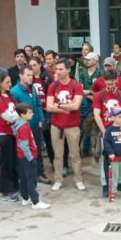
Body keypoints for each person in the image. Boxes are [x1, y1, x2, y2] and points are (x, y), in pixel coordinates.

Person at [46, 58, 85, 191]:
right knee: (58, 155)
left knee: (75, 155)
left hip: (73, 126)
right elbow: (49, 107)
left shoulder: (76, 85)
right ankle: (58, 179)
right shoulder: (53, 86)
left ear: (68, 70)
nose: (58, 71)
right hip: (56, 126)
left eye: (61, 69)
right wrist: (66, 108)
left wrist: (59, 105)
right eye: (57, 69)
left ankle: (78, 179)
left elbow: (76, 106)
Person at [93, 70, 121, 197]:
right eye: (107, 84)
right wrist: (103, 131)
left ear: (116, 81)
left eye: (112, 84)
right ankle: (105, 184)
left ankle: (119, 182)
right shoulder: (99, 95)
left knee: (120, 157)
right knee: (106, 158)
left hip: (119, 131)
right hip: (107, 130)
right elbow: (96, 114)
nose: (110, 86)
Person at [10, 65, 50, 184]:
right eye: (28, 75)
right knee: (24, 151)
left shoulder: (33, 88)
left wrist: (41, 119)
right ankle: (27, 175)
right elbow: (14, 112)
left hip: (35, 125)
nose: (30, 77)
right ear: (20, 76)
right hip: (23, 128)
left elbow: (38, 104)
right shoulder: (14, 91)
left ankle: (39, 173)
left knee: (36, 150)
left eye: (32, 75)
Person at [13, 102, 51, 210]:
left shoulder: (19, 124)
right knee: (31, 180)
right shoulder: (24, 127)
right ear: (22, 115)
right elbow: (24, 145)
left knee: (24, 178)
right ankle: (35, 201)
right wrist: (31, 158)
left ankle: (25, 198)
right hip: (28, 157)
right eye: (29, 113)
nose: (32, 114)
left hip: (22, 156)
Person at [0, 72, 21, 202]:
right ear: (0, 83)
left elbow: (17, 113)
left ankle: (15, 186)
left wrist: (16, 114)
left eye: (10, 82)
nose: (9, 84)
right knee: (6, 163)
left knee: (15, 162)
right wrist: (17, 113)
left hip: (14, 133)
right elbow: (9, 117)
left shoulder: (11, 97)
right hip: (3, 134)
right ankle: (6, 190)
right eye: (7, 82)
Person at [75, 47, 102, 158]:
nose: (86, 61)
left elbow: (101, 92)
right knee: (84, 128)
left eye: (89, 59)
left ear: (95, 61)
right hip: (84, 104)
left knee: (95, 129)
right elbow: (80, 89)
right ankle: (84, 150)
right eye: (86, 59)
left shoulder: (100, 73)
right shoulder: (82, 73)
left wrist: (90, 92)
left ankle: (95, 150)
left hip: (96, 105)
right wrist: (89, 93)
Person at [103, 108, 121, 201]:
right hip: (114, 157)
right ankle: (113, 191)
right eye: (119, 117)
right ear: (113, 118)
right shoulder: (109, 130)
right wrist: (110, 153)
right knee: (114, 175)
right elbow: (106, 142)